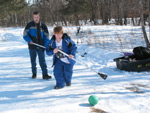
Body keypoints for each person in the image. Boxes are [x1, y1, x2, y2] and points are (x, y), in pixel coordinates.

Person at [23, 11, 51, 80]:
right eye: (35, 17)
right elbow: (25, 34)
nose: (36, 19)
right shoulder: (29, 25)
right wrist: (29, 41)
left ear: (39, 17)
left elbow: (46, 36)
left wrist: (45, 44)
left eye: (37, 17)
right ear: (33, 17)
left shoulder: (43, 26)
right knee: (33, 60)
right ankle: (34, 73)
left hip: (41, 46)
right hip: (32, 46)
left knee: (42, 60)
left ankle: (45, 74)